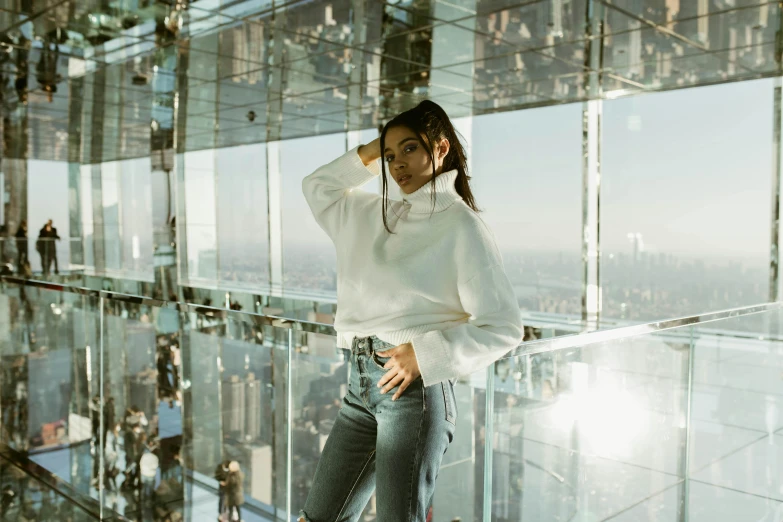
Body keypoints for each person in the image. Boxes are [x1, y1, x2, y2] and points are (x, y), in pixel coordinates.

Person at [299, 99, 523, 521]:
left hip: (414, 393)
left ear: (440, 149)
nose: (396, 164)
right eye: (389, 155)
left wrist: (427, 354)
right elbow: (318, 186)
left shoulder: (461, 225)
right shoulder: (367, 213)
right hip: (360, 386)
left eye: (409, 149)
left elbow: (504, 326)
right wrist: (373, 148)